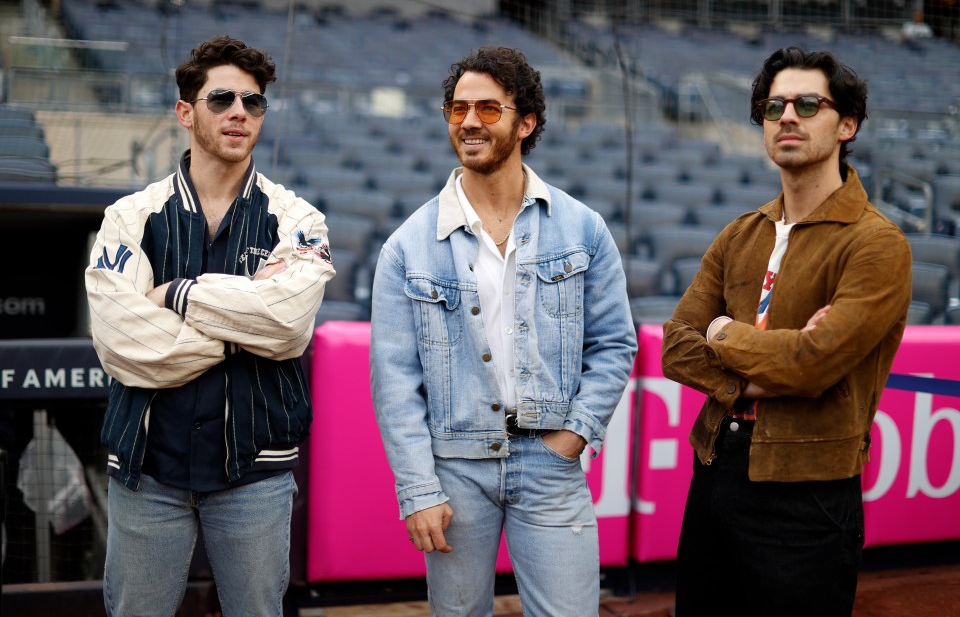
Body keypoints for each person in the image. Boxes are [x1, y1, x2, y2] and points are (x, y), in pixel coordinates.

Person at [369, 46, 637, 616]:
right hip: (456, 467)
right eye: (457, 108)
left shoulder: (583, 228)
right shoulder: (407, 246)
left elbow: (615, 343)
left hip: (550, 459)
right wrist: (419, 488)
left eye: (489, 110)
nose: (468, 121)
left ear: (526, 121)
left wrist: (575, 436)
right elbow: (394, 381)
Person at [85, 35, 335, 617]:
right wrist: (247, 325)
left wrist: (178, 294)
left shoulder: (297, 218)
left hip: (255, 472)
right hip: (148, 469)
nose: (239, 112)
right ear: (185, 111)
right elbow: (123, 342)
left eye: (253, 102)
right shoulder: (129, 216)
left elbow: (290, 325)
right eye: (221, 99)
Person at [661, 46, 912, 616]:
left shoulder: (876, 243)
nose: (787, 117)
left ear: (847, 124)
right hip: (715, 471)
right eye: (774, 107)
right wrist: (755, 380)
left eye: (807, 103)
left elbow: (813, 364)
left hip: (808, 494)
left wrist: (723, 334)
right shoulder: (741, 233)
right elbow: (676, 346)